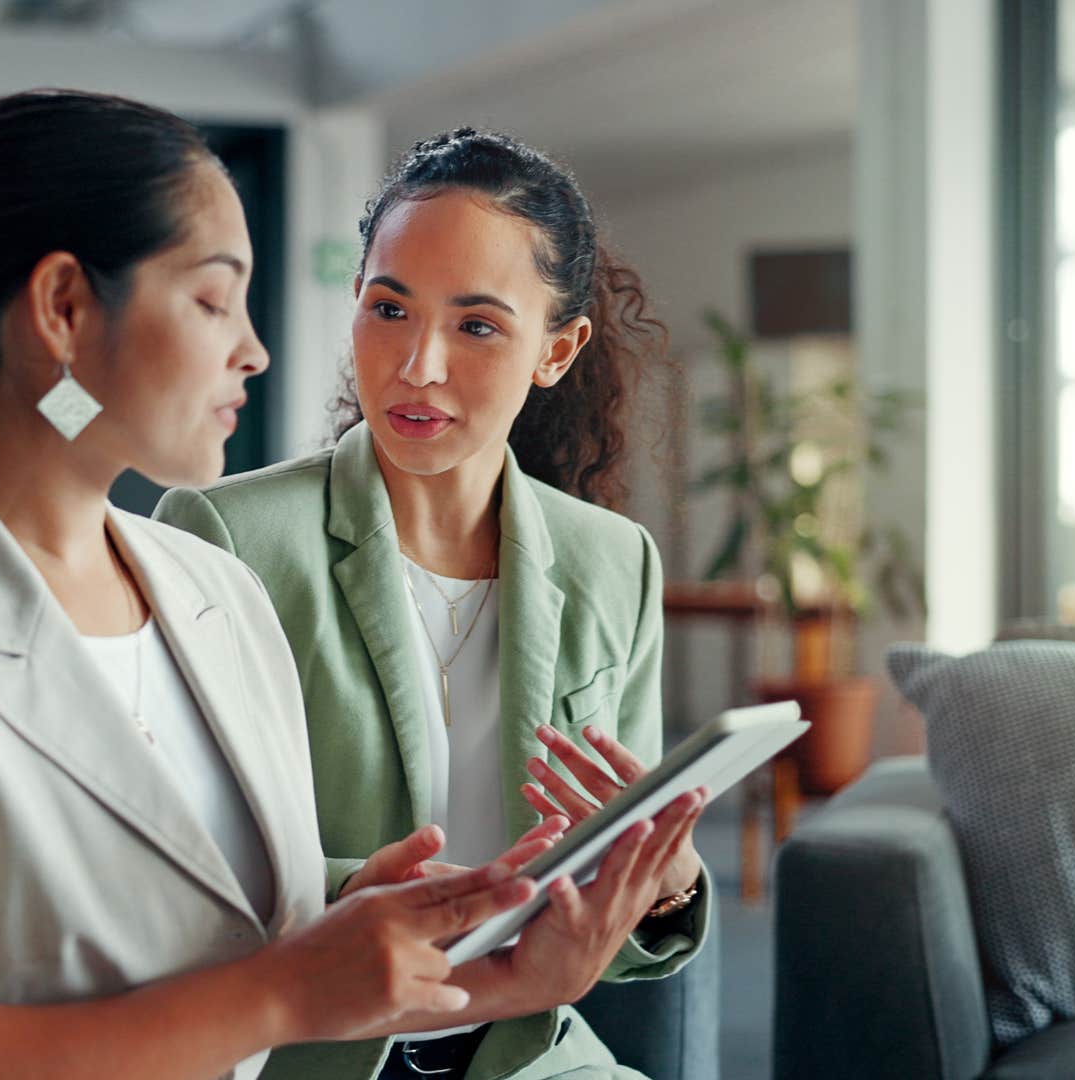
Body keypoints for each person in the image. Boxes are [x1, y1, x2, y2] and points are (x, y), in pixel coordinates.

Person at [0, 91, 695, 1080]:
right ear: (62, 310)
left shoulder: (208, 591)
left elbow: (272, 945)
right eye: (214, 300)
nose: (255, 351)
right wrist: (292, 985)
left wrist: (524, 981)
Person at [156, 128, 712, 1080]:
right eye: (389, 308)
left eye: (478, 325)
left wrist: (665, 883)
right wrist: (356, 899)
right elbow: (173, 870)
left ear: (557, 349)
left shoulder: (617, 564)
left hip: (530, 1059)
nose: (416, 365)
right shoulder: (226, 538)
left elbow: (605, 950)